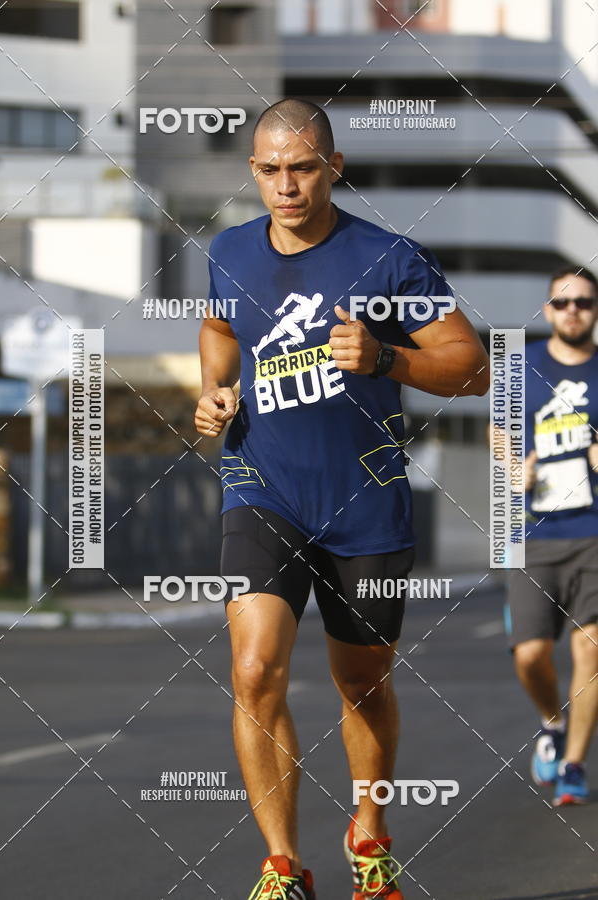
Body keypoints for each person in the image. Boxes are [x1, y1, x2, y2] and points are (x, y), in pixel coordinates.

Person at [195, 98, 489, 900]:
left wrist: (388, 356)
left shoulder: (389, 259)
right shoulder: (227, 251)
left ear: (335, 168)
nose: (286, 186)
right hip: (263, 485)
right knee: (255, 670)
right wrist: (214, 390)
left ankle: (369, 837)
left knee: (362, 683)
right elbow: (221, 329)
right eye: (270, 170)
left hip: (366, 502)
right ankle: (283, 866)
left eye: (302, 168)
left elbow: (474, 367)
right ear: (253, 170)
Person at [507, 265, 598, 806]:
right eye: (562, 303)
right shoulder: (523, 367)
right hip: (534, 533)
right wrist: (512, 466)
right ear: (547, 311)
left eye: (583, 303)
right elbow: (500, 435)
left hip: (595, 534)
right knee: (531, 655)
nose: (572, 312)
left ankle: (573, 764)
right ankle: (552, 721)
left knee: (591, 651)